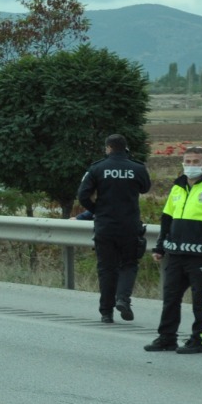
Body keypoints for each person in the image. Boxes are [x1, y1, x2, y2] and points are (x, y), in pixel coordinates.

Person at [145, 146, 202, 355]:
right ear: (182, 163)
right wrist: (160, 247)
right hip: (175, 254)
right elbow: (166, 220)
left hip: (201, 256)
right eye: (188, 161)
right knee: (170, 298)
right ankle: (167, 338)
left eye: (195, 162)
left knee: (200, 300)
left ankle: (199, 340)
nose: (191, 165)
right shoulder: (177, 188)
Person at [77, 133, 152, 323]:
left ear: (109, 148)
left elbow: (83, 195)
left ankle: (106, 313)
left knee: (106, 268)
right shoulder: (137, 167)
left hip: (105, 226)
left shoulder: (97, 168)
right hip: (129, 226)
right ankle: (123, 299)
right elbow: (145, 188)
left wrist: (98, 211)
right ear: (125, 148)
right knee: (129, 264)